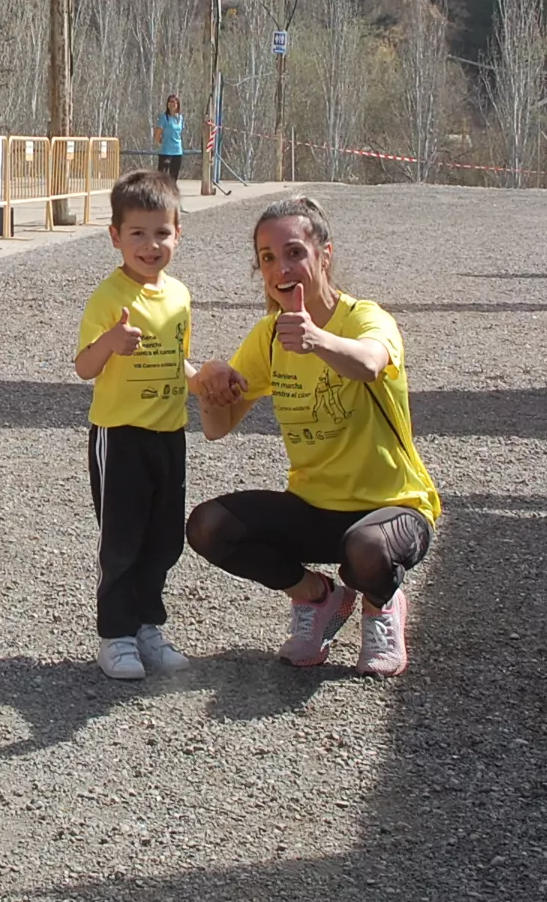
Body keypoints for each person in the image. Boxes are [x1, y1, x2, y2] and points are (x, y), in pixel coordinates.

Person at [189, 196, 441, 677]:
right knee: (208, 526)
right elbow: (218, 429)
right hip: (315, 508)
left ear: (324, 255)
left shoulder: (365, 317)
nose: (280, 268)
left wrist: (316, 340)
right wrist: (210, 384)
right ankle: (318, 597)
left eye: (294, 253)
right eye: (267, 257)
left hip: (394, 507)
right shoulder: (269, 336)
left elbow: (370, 362)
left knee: (367, 549)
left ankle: (381, 602)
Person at [73, 169, 202, 681]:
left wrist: (206, 381)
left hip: (169, 435)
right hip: (120, 436)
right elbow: (84, 366)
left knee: (164, 538)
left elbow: (180, 362)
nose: (151, 245)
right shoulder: (109, 298)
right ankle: (116, 635)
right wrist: (110, 343)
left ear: (177, 234)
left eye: (162, 233)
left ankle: (149, 625)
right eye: (138, 234)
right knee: (122, 540)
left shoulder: (180, 296)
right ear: (115, 237)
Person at [155, 94, 185, 182]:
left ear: (178, 104)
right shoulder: (164, 118)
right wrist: (162, 142)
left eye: (174, 102)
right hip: (166, 152)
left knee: (173, 177)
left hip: (177, 151)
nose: (172, 104)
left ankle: (171, 194)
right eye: (170, 102)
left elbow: (179, 133)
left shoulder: (180, 118)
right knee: (162, 177)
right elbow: (157, 135)